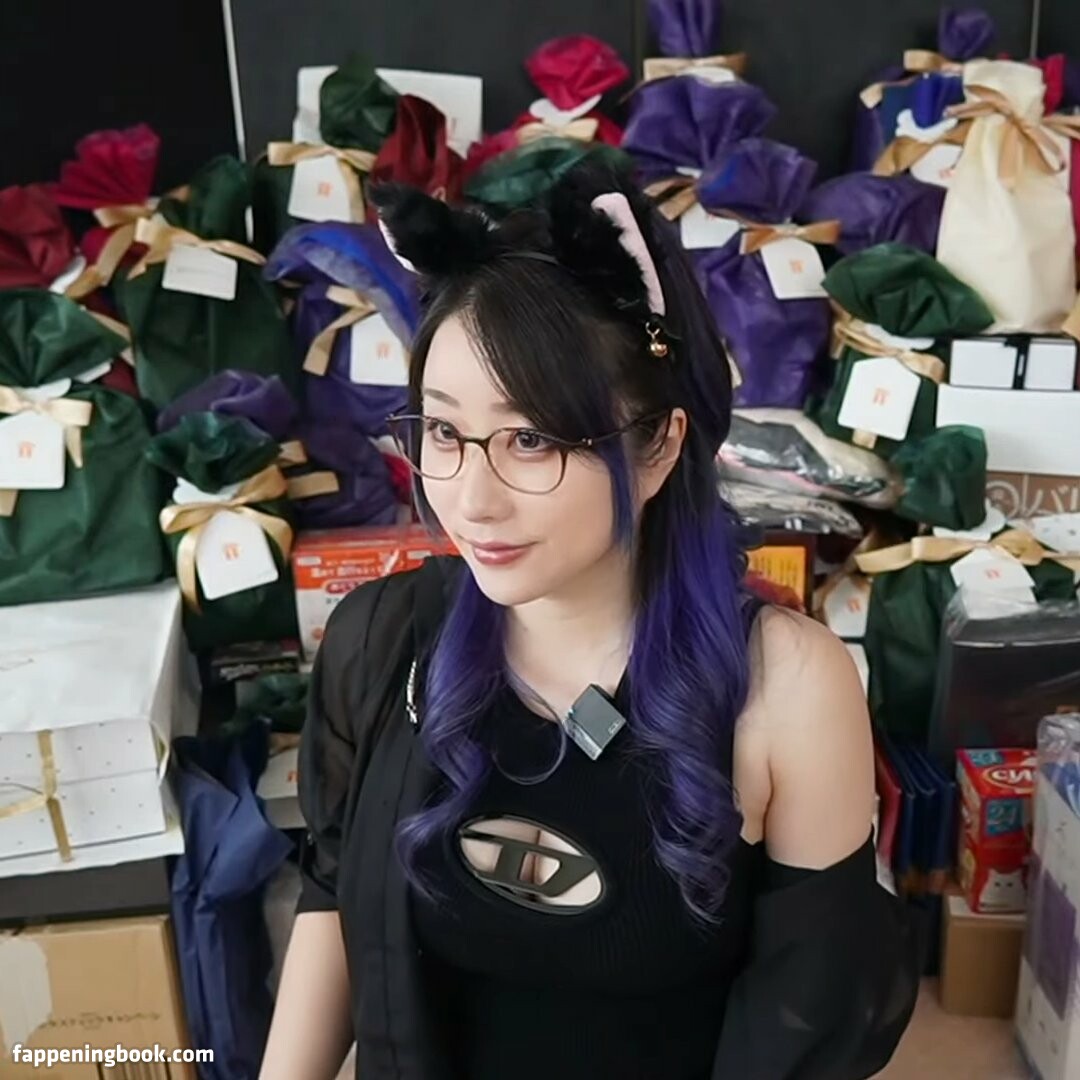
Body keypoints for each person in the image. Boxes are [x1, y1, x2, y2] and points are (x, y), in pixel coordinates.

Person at [261, 163, 918, 1080]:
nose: (470, 499)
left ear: (658, 447)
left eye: (531, 440)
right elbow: (335, 894)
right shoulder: (386, 640)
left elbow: (806, 1020)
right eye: (443, 432)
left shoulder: (787, 690)